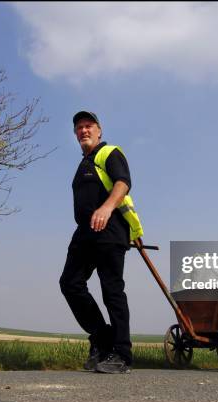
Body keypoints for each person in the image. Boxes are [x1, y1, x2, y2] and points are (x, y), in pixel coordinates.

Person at [59, 111, 143, 374]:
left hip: (110, 230)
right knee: (70, 283)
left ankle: (121, 353)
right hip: (84, 232)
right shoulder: (83, 163)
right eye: (79, 128)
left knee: (112, 290)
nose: (83, 130)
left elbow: (123, 183)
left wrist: (107, 208)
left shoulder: (110, 153)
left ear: (99, 131)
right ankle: (101, 338)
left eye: (88, 126)